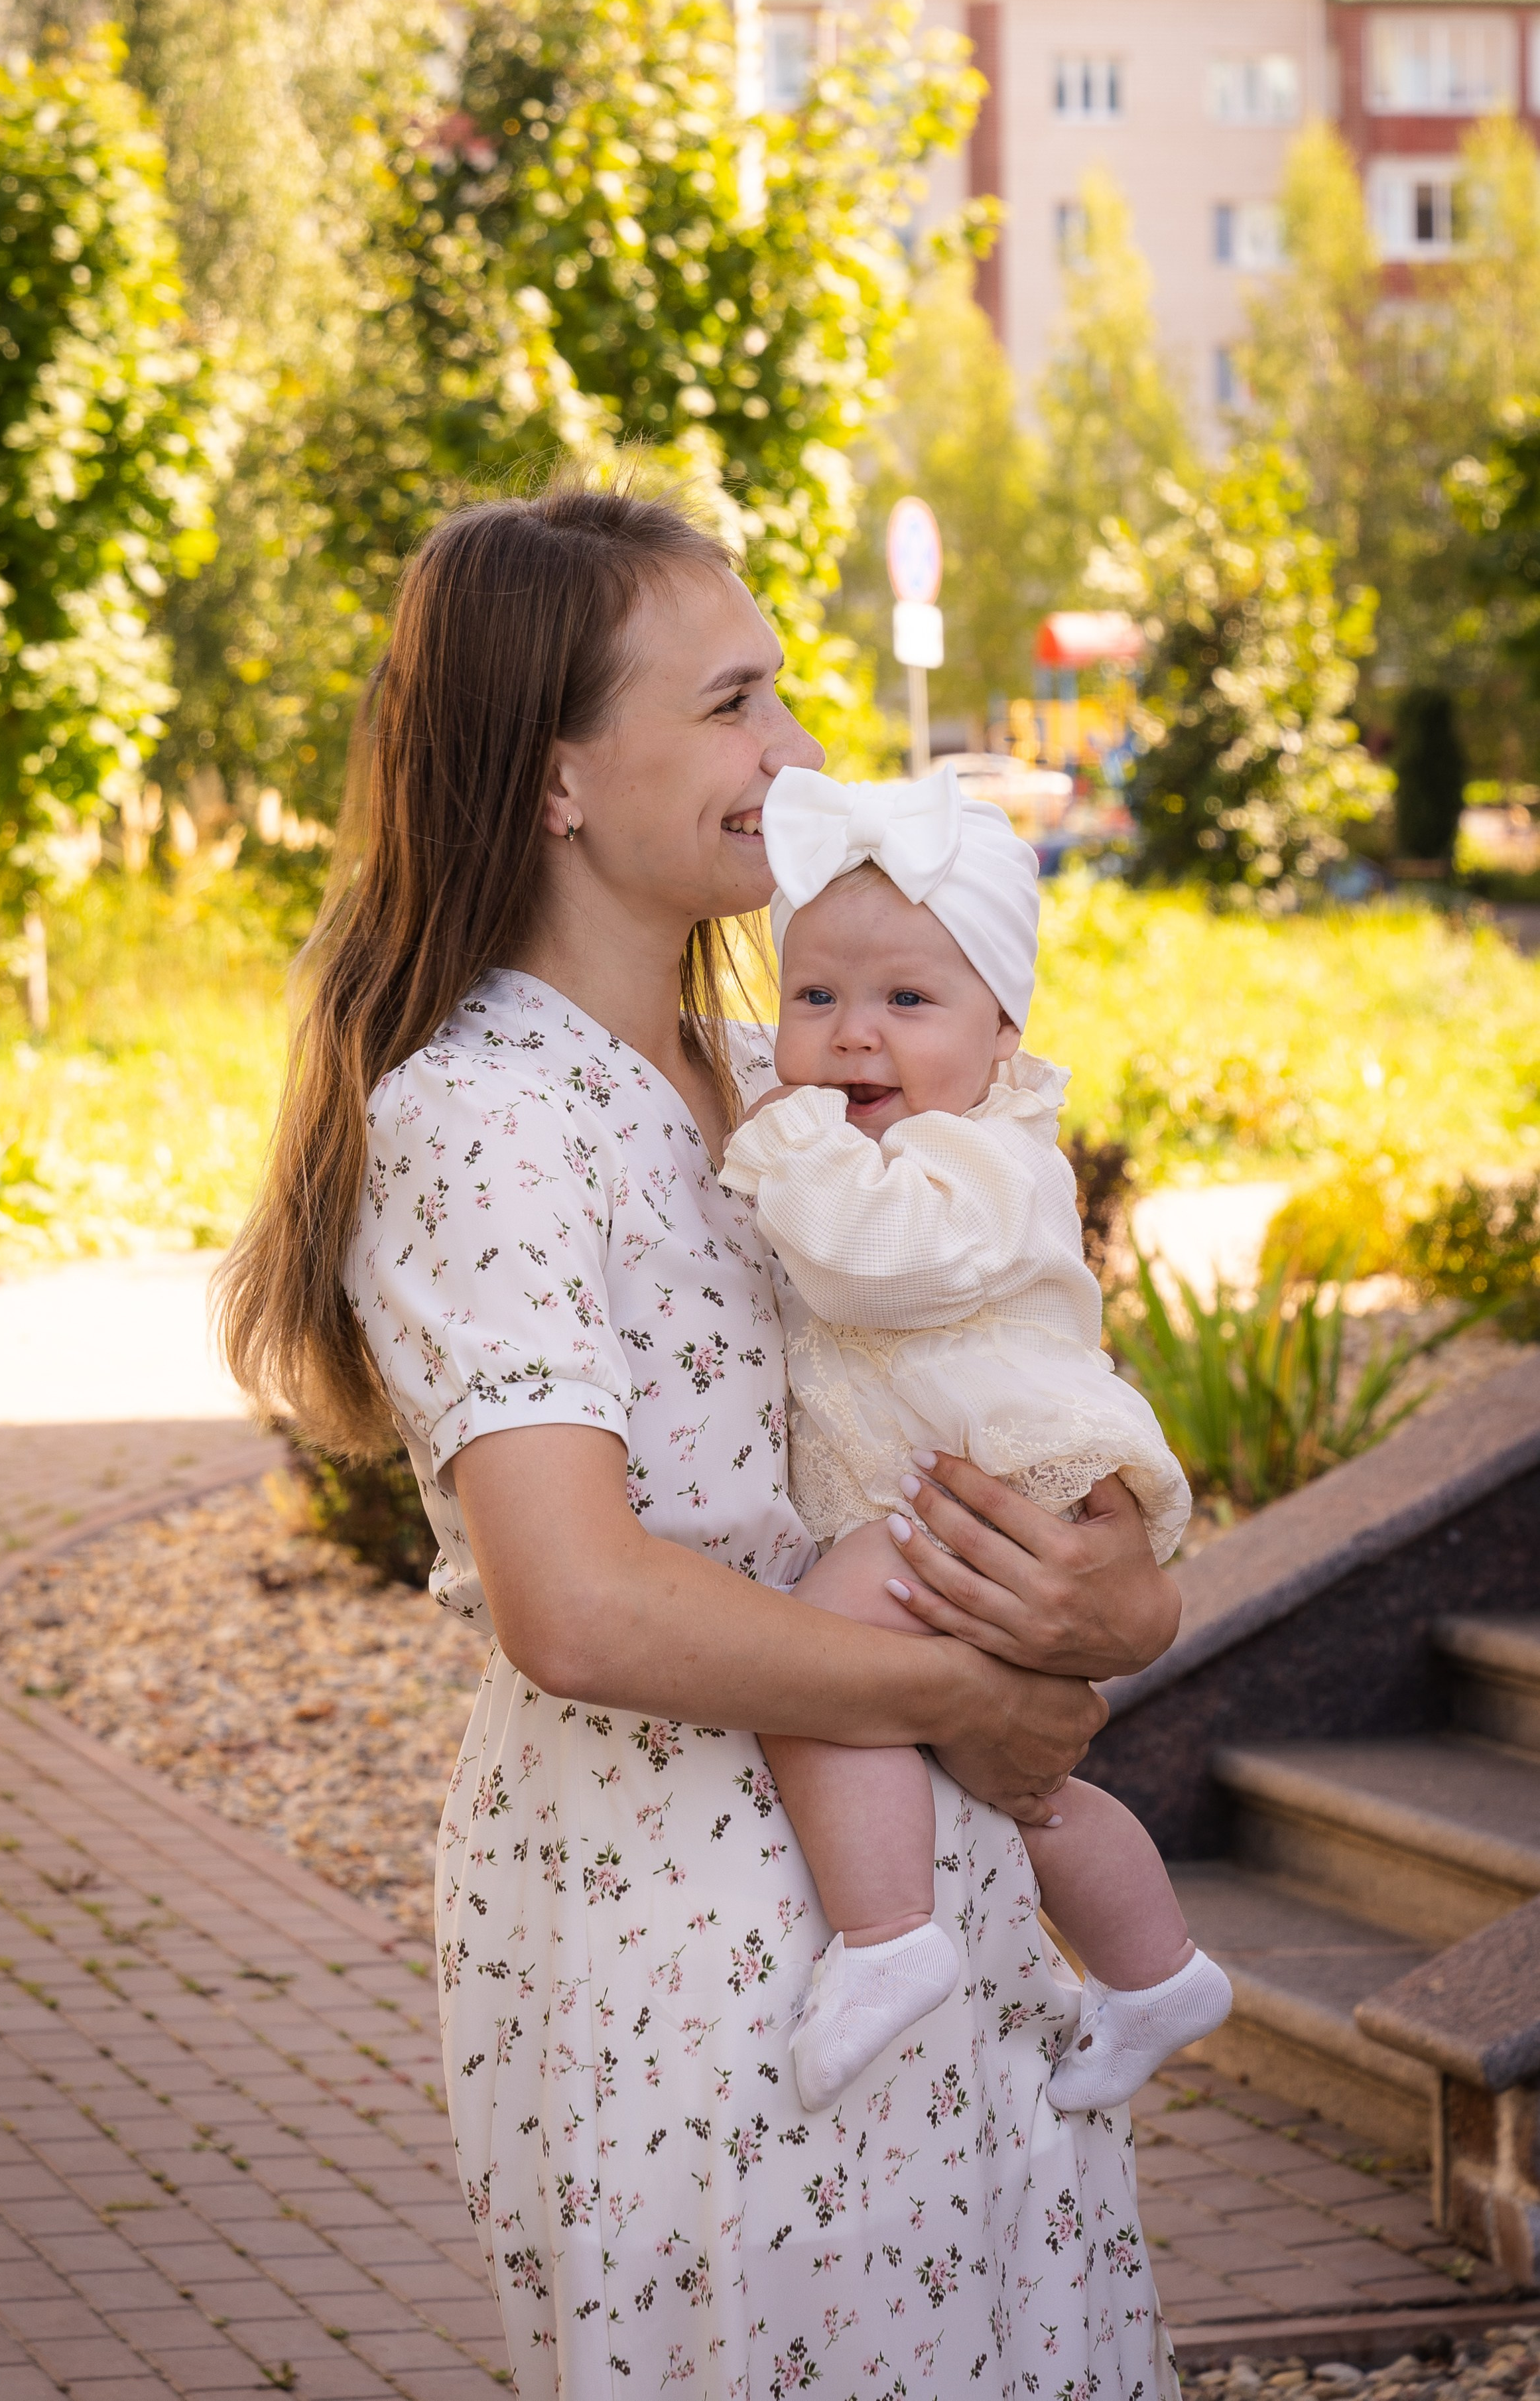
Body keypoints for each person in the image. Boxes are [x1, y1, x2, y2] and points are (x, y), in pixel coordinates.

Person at [217, 486, 1183, 2400]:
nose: (796, 752)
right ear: (560, 781)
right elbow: (570, 1605)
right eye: (735, 701)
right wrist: (956, 1697)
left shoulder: (782, 1070)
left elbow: (1018, 1408)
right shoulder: (487, 1117)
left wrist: (1115, 1589)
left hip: (932, 1882)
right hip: (698, 1930)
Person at [718, 765, 1232, 2117]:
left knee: (816, 1671)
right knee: (1024, 1788)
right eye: (813, 998)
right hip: (966, 1490)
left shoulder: (982, 1161)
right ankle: (1151, 1972)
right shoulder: (897, 1134)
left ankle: (884, 1942)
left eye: (906, 1001)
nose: (849, 1039)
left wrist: (780, 1152)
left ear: (1001, 1028)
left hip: (987, 1484)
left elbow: (867, 1267)